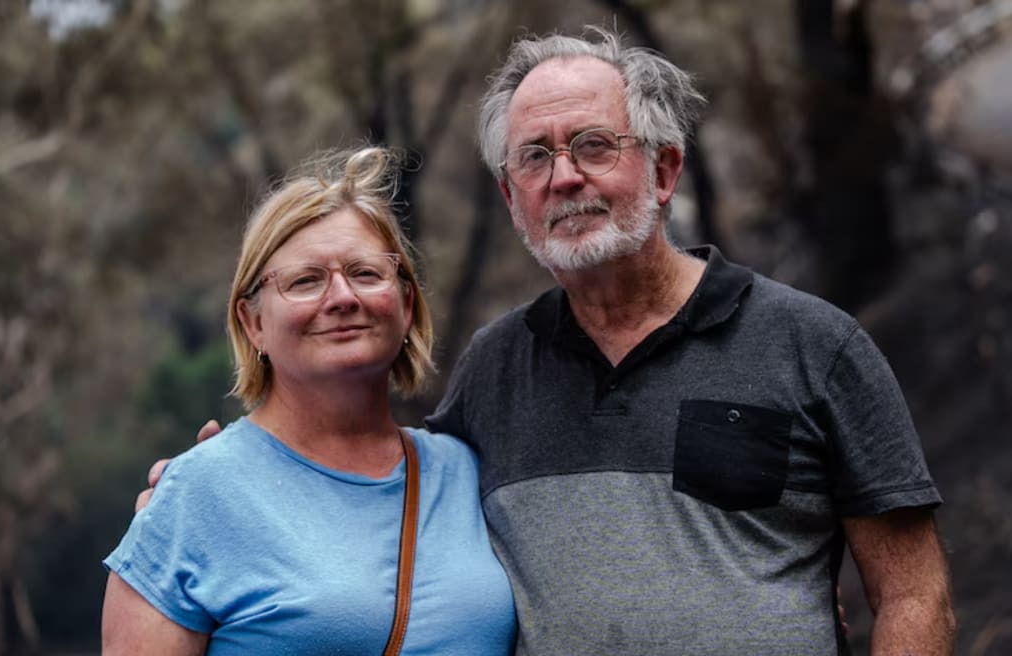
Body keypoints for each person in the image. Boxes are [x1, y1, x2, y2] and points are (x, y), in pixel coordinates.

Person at [141, 26, 955, 655]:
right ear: (510, 195)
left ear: (665, 171)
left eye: (594, 146)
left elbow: (915, 596)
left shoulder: (816, 347)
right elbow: (366, 494)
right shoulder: (495, 372)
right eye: (535, 157)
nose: (565, 178)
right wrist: (213, 496)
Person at [102, 146, 517, 655]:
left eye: (366, 273)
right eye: (305, 281)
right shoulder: (196, 494)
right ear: (253, 322)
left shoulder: (466, 473)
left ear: (406, 305)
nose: (343, 297)